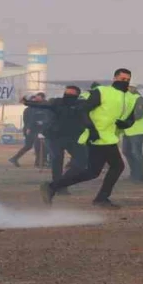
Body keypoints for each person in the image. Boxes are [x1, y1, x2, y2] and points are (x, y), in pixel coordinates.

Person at [42, 69, 137, 208]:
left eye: (128, 80)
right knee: (117, 166)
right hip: (97, 137)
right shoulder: (102, 91)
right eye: (122, 79)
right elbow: (84, 110)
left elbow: (131, 118)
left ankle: (52, 186)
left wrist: (127, 123)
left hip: (109, 137)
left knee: (92, 172)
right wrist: (91, 129)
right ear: (114, 78)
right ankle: (101, 198)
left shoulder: (130, 97)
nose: (125, 82)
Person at [27, 85, 90, 196]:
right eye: (66, 93)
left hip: (72, 137)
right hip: (53, 136)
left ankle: (61, 183)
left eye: (71, 94)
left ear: (77, 96)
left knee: (82, 161)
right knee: (57, 159)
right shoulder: (56, 102)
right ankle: (58, 186)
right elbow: (43, 105)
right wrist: (27, 102)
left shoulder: (81, 105)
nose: (68, 96)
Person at [8, 93, 48, 167]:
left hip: (35, 129)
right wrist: (28, 128)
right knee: (37, 145)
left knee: (30, 146)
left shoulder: (39, 107)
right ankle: (39, 162)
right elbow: (28, 120)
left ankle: (15, 158)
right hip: (32, 130)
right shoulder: (30, 110)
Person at [120, 84, 143, 182]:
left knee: (136, 153)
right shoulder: (125, 98)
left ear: (134, 88)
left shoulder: (139, 99)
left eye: (130, 87)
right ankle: (134, 173)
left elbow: (138, 115)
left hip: (137, 130)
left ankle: (139, 176)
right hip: (127, 130)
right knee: (126, 151)